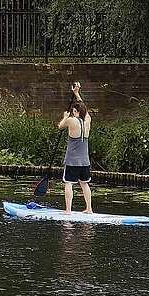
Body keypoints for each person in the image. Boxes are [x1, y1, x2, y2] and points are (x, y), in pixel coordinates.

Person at [58, 82, 93, 214]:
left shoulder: (71, 120)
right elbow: (85, 109)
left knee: (68, 183)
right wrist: (77, 93)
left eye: (73, 111)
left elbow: (60, 126)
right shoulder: (88, 120)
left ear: (76, 111)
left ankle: (68, 210)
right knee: (84, 183)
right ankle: (89, 208)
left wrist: (65, 117)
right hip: (85, 161)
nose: (72, 112)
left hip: (72, 160)